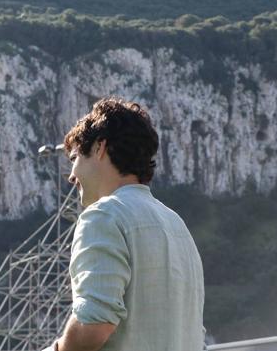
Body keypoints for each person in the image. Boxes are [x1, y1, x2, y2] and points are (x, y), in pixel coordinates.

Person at [44, 98, 205, 351]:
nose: (72, 175)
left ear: (99, 147)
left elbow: (95, 324)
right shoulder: (177, 226)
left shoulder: (104, 216)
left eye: (75, 158)